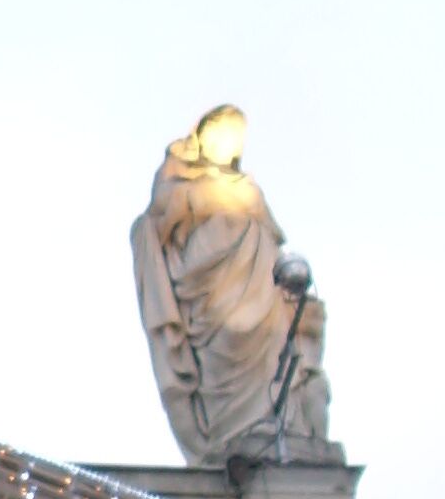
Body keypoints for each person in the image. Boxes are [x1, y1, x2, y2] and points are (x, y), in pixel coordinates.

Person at [130, 106, 337, 466]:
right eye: (220, 136)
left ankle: (280, 431)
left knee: (275, 354)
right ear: (202, 140)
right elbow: (160, 224)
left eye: (234, 139)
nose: (227, 144)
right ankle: (233, 433)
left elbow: (274, 234)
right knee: (225, 346)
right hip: (212, 289)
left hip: (259, 281)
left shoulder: (248, 187)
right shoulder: (177, 182)